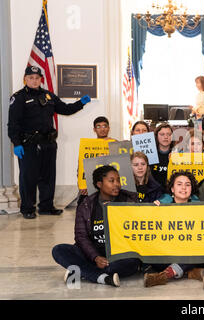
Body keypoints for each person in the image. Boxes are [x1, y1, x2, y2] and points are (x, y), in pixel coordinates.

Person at [8, 65, 91, 219]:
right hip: (29, 145)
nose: (34, 81)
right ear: (25, 79)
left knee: (48, 177)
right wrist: (16, 143)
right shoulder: (19, 97)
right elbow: (13, 124)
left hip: (49, 143)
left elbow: (65, 109)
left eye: (37, 78)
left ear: (41, 79)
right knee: (28, 178)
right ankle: (27, 208)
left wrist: (81, 103)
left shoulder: (48, 96)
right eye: (31, 78)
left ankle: (46, 206)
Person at [52, 165, 141, 287]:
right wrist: (95, 257)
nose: (117, 184)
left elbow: (138, 232)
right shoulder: (86, 204)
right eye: (111, 181)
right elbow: (81, 236)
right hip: (92, 252)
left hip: (119, 254)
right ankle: (101, 277)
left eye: (118, 180)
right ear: (99, 184)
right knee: (58, 250)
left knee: (133, 262)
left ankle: (82, 271)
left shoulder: (130, 201)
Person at [143, 171, 202, 287]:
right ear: (172, 189)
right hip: (168, 252)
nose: (184, 188)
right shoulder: (161, 205)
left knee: (199, 251)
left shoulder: (199, 207)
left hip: (189, 252)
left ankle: (165, 275)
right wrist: (153, 211)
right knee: (152, 255)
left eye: (187, 184)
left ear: (191, 190)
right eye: (179, 184)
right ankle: (189, 272)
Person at [151, 122, 174, 191]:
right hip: (154, 192)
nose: (166, 137)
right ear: (156, 136)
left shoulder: (178, 155)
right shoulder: (151, 155)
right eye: (162, 134)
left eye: (169, 134)